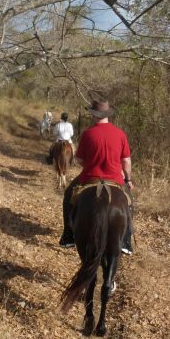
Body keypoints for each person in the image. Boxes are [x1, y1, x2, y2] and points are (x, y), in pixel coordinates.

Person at [59, 100, 134, 254]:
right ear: (107, 114)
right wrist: (128, 179)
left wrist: (91, 163)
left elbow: (79, 159)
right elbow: (126, 160)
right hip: (115, 178)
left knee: (68, 195)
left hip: (89, 177)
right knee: (129, 202)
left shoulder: (88, 133)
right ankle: (126, 240)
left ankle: (68, 235)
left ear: (94, 114)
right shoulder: (120, 134)